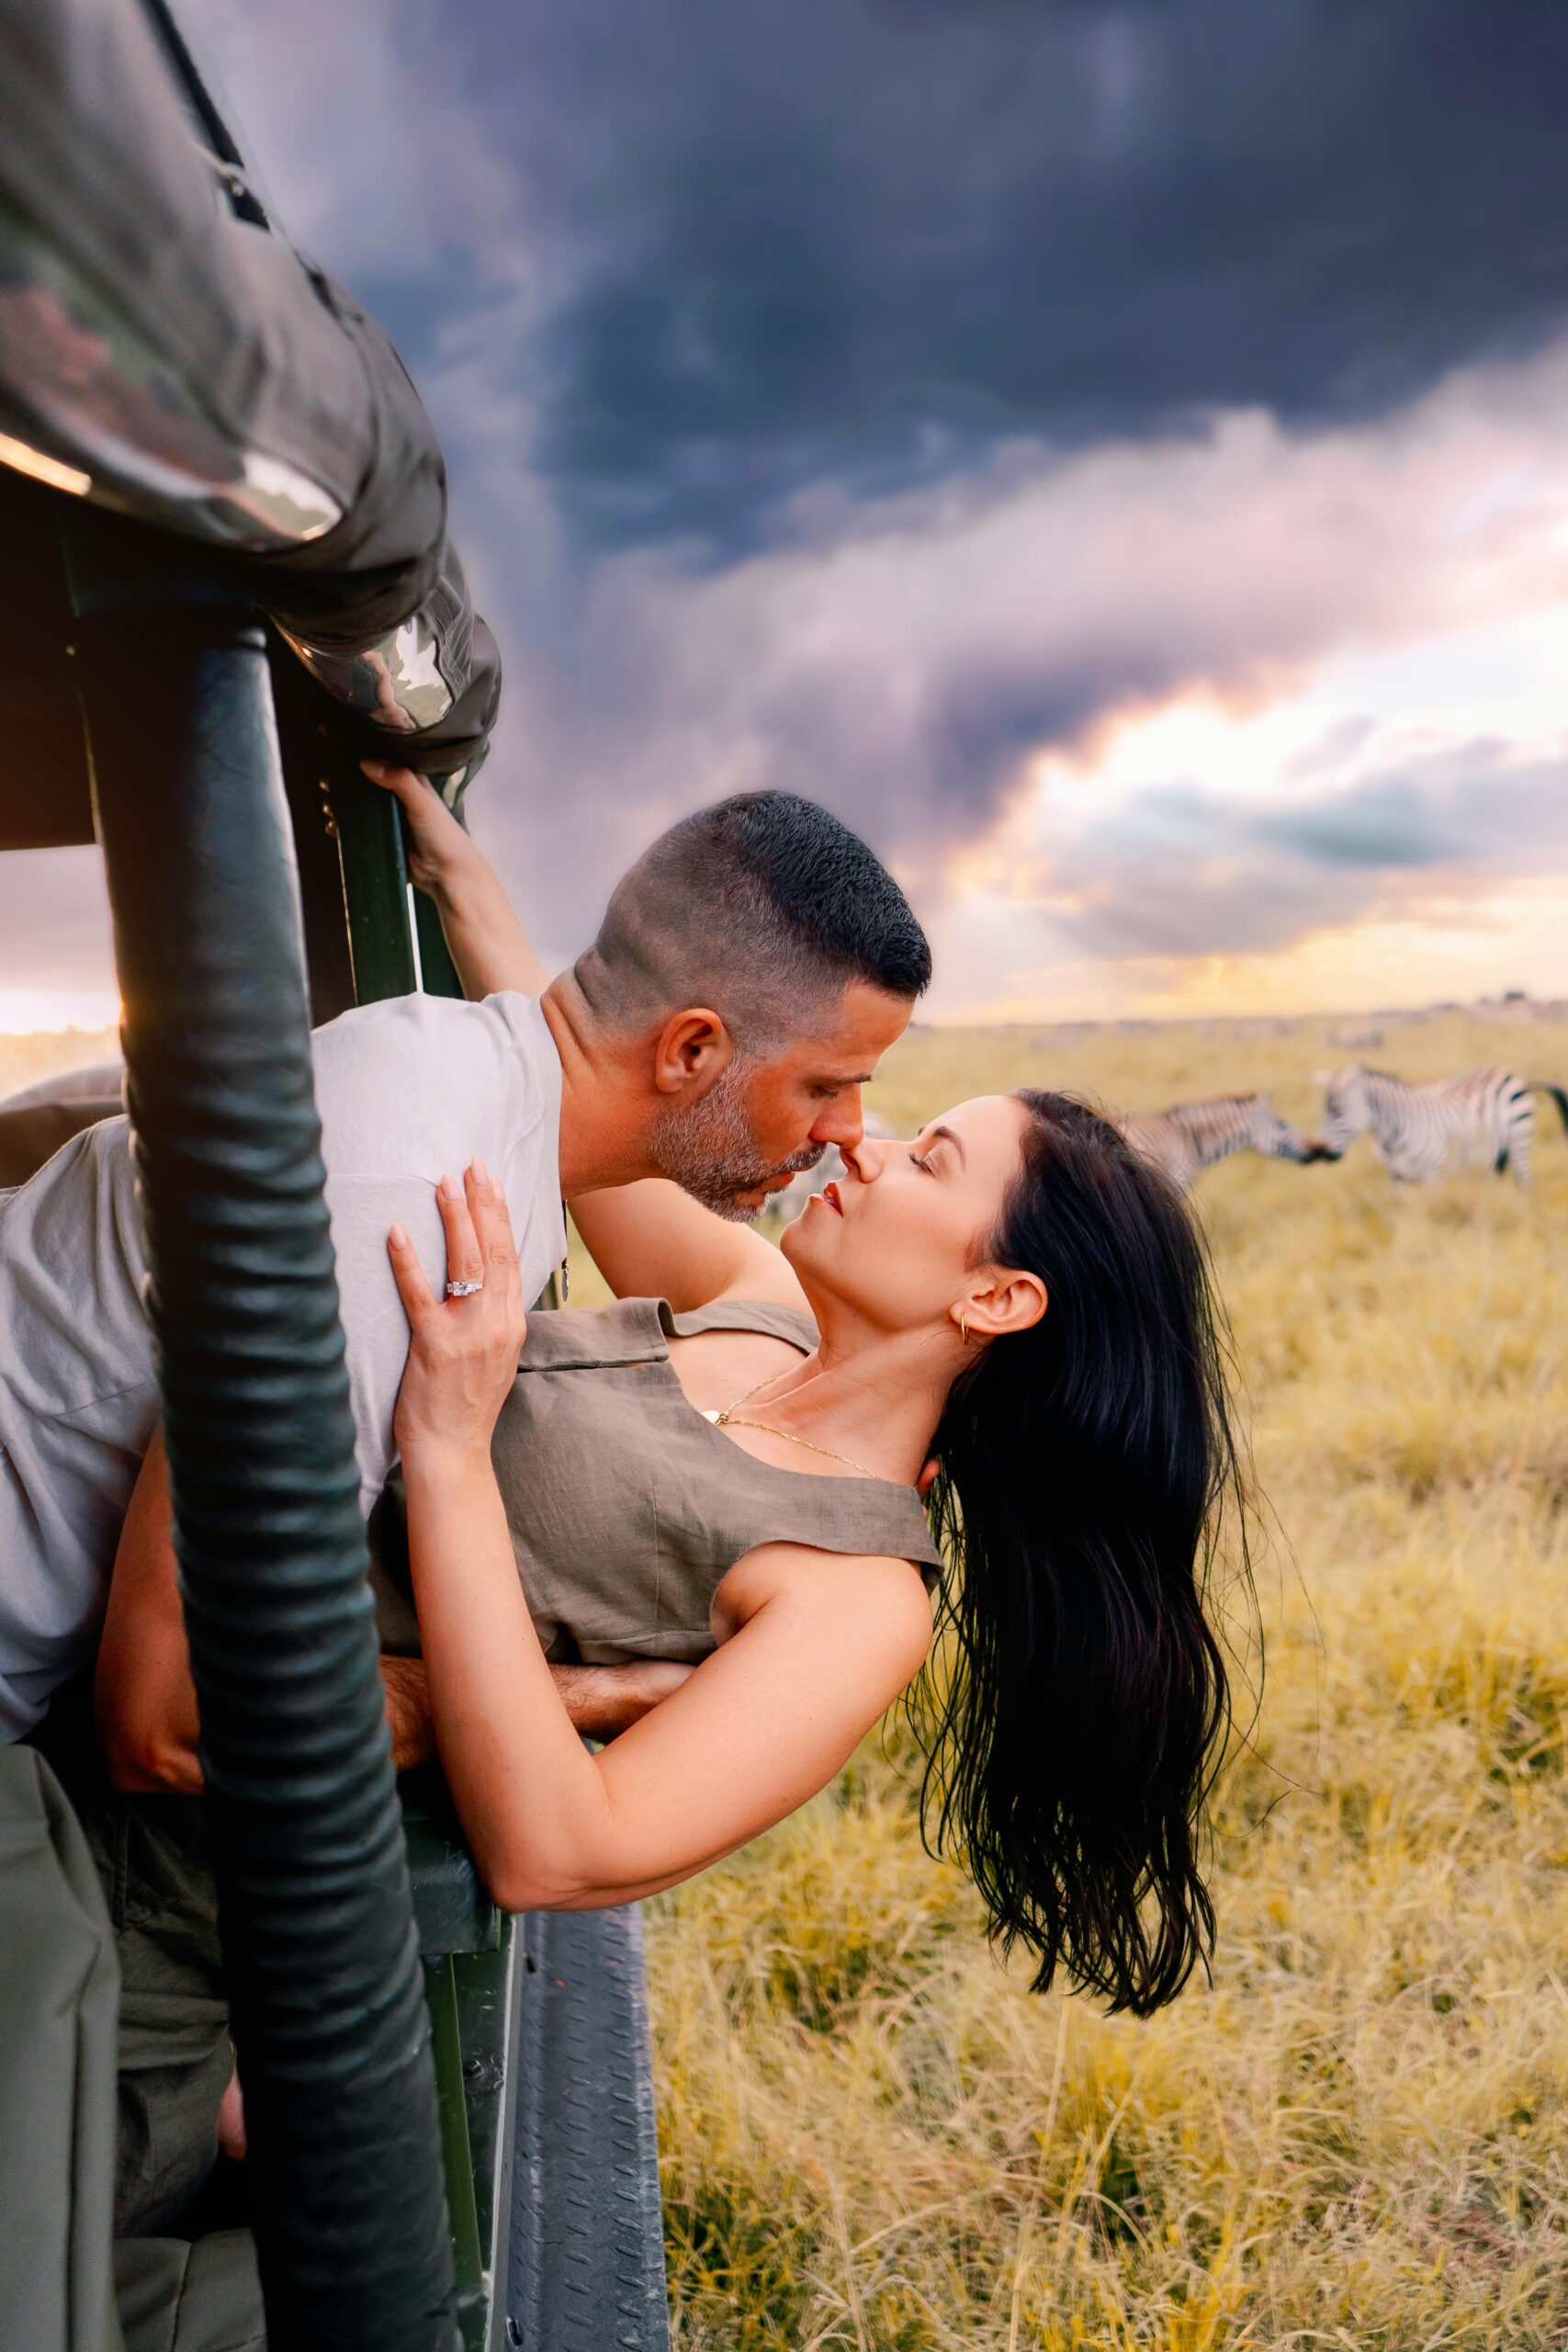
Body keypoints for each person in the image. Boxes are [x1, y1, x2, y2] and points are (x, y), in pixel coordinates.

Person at [89, 792, 1252, 2235]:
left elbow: (557, 1849)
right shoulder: (755, 1315)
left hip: (179, 1923)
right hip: (113, 1699)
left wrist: (448, 1458)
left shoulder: (854, 1598)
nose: (859, 1147)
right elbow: (620, 1087)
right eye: (868, 1112)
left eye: (927, 1161)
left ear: (993, 1296)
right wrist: (471, 887)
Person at [0, 784, 930, 1745]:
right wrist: (586, 1696)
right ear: (691, 1048)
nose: (846, 1132)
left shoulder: (477, 1091)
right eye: (827, 1085)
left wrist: (458, 873)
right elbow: (167, 1713)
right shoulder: (406, 1210)